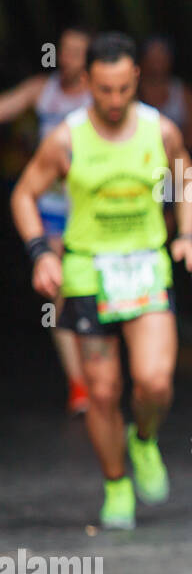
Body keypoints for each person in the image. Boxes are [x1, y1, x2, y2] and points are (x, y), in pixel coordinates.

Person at [10, 31, 192, 529]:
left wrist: (189, 235)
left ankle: (143, 440)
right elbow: (23, 194)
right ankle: (116, 483)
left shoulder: (159, 131)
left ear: (136, 78)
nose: (115, 101)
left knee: (154, 382)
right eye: (104, 90)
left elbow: (187, 174)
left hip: (144, 266)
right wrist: (39, 255)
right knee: (101, 391)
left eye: (123, 89)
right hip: (87, 271)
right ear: (88, 84)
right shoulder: (66, 138)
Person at [0, 25, 92, 413]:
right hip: (52, 209)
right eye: (63, 49)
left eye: (76, 51)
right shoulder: (43, 89)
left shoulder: (103, 95)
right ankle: (78, 383)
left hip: (93, 210)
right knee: (59, 291)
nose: (66, 57)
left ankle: (99, 370)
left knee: (92, 294)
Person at [138, 35, 192, 154]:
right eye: (153, 57)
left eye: (162, 56)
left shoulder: (183, 92)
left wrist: (174, 148)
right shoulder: (131, 92)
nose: (157, 63)